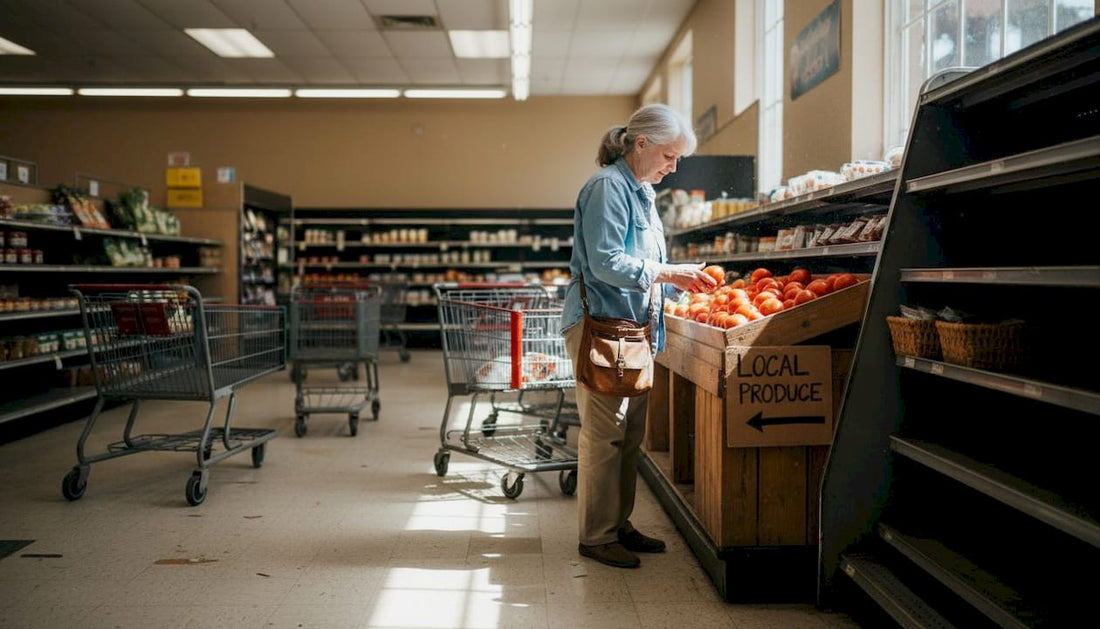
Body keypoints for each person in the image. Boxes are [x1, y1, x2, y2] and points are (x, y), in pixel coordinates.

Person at [561, 103, 717, 569]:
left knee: (628, 436)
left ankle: (618, 524)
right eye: (669, 156)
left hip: (632, 331)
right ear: (641, 144)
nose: (673, 167)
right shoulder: (608, 187)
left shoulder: (642, 191)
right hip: (603, 329)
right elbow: (605, 261)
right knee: (605, 435)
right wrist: (671, 273)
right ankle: (596, 535)